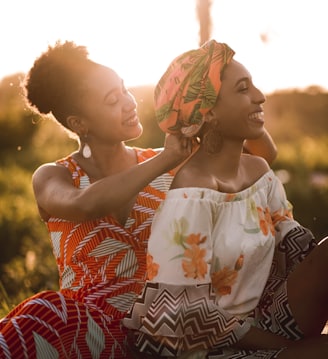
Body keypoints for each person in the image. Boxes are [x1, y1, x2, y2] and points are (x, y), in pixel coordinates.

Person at [0, 41, 277, 359]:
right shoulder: (54, 176)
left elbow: (261, 155)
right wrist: (166, 158)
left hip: (160, 333)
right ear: (79, 123)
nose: (129, 103)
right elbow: (84, 204)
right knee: (49, 310)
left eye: (124, 89)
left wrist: (210, 83)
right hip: (90, 333)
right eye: (112, 100)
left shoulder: (179, 165)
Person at [122, 40, 328, 358]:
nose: (260, 96)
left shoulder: (259, 172)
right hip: (199, 346)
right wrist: (287, 347)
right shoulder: (190, 193)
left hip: (266, 316)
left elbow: (297, 251)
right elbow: (186, 315)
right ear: (210, 112)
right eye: (243, 89)